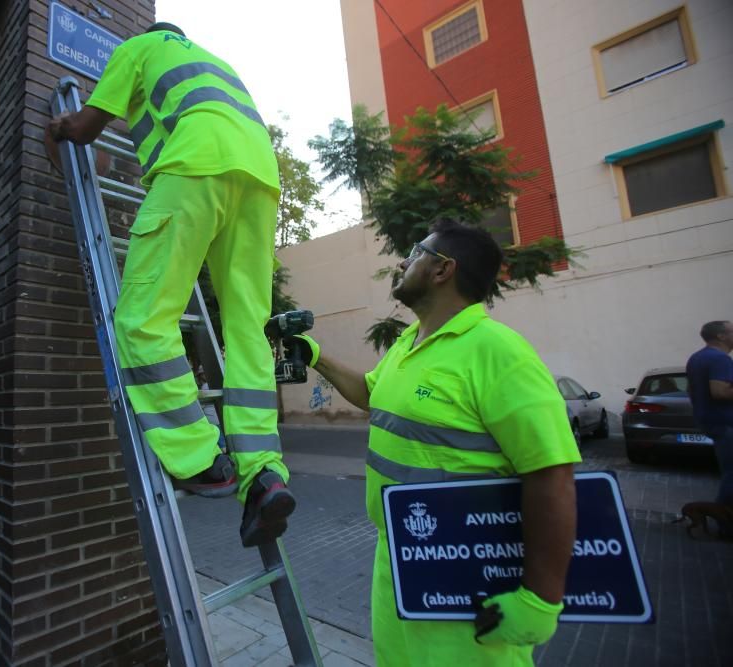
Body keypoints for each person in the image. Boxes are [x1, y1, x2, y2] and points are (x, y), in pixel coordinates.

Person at [287, 219, 581, 665]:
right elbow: (371, 393)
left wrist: (540, 601)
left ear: (443, 269)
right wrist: (314, 355)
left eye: (415, 251)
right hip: (397, 558)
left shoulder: (498, 351)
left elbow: (552, 476)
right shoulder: (409, 341)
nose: (403, 262)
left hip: (468, 578)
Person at [45, 22, 293, 547]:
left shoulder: (137, 47)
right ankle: (264, 471)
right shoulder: (215, 65)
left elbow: (88, 128)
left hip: (195, 166)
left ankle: (201, 460)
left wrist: (62, 128)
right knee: (249, 329)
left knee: (142, 317)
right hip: (261, 177)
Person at [686, 320, 733, 536]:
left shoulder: (697, 358)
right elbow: (721, 391)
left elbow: (691, 390)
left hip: (709, 420)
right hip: (726, 422)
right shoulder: (720, 359)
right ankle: (726, 524)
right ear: (722, 336)